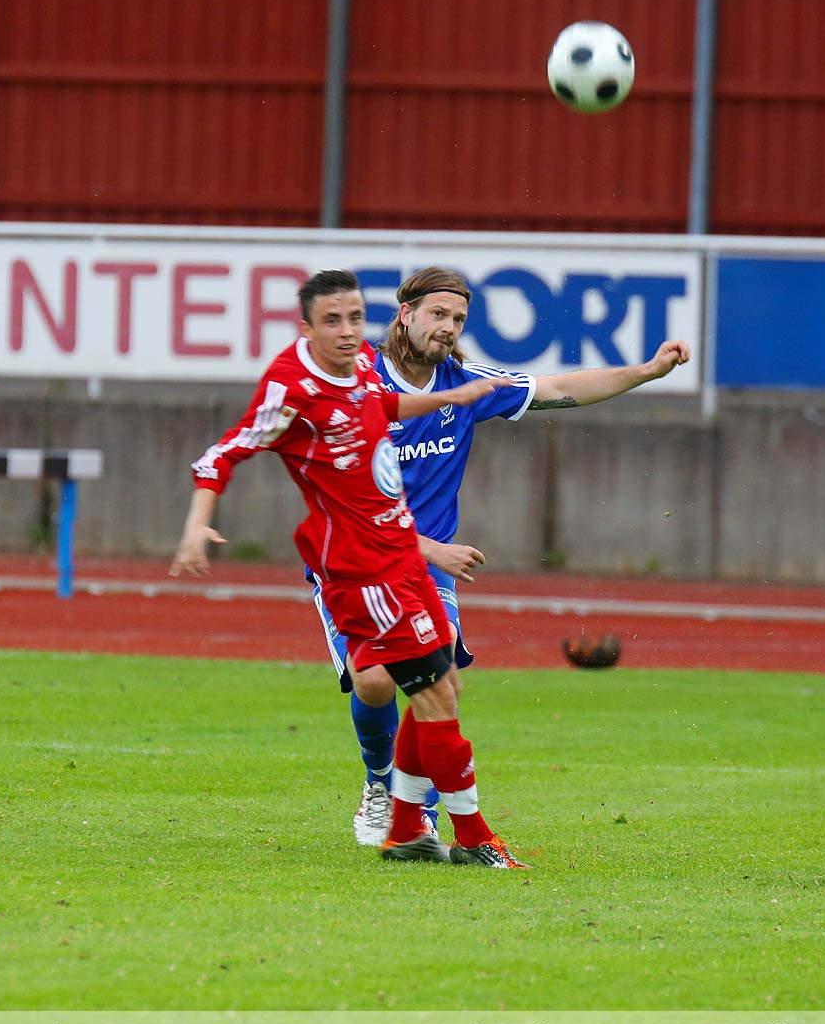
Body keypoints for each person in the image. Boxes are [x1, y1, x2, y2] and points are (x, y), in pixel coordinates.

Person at [170, 269, 528, 867]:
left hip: (402, 556)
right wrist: (195, 525)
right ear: (305, 325)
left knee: (442, 687)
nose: (346, 331)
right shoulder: (290, 387)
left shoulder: (364, 363)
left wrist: (450, 397)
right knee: (407, 688)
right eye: (332, 321)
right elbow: (222, 454)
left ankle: (410, 829)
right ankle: (464, 835)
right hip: (357, 567)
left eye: (356, 318)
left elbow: (383, 403)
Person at [327, 266, 692, 847]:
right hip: (355, 557)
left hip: (425, 566)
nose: (447, 328)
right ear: (406, 314)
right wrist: (431, 548)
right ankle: (378, 780)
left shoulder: (467, 384)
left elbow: (554, 389)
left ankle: (413, 810)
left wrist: (646, 372)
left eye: (459, 319)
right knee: (374, 682)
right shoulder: (357, 386)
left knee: (435, 670)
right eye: (438, 315)